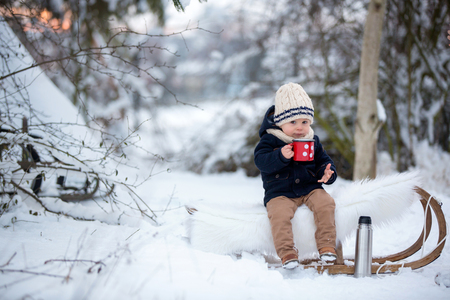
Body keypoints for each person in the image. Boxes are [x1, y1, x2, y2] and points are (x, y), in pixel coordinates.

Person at [254, 82, 338, 269]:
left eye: (304, 122)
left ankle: (327, 246)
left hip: (309, 188)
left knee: (326, 203)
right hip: (280, 192)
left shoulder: (312, 140)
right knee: (279, 214)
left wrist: (327, 172)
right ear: (280, 122)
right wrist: (280, 156)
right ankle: (287, 252)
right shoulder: (270, 139)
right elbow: (260, 161)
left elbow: (324, 160)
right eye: (293, 122)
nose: (300, 128)